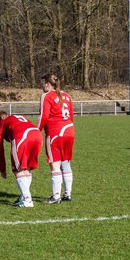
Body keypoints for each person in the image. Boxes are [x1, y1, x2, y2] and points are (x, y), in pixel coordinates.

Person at [38, 72, 75, 203]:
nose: (41, 86)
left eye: (42, 83)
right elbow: (71, 116)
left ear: (48, 84)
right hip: (69, 131)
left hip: (55, 133)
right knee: (66, 162)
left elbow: (44, 116)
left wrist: (37, 131)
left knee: (55, 164)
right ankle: (68, 194)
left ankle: (55, 196)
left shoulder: (46, 96)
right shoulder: (67, 96)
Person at [0, 109, 41, 208]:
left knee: (18, 169)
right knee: (26, 168)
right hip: (37, 134)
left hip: (22, 136)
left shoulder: (1, 124)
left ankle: (27, 200)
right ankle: (23, 197)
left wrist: (2, 169)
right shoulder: (15, 118)